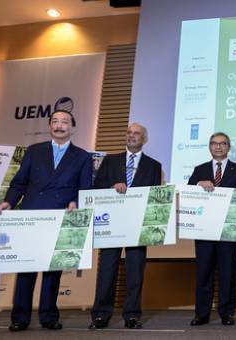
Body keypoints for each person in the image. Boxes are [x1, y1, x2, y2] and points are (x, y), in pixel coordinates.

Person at [0, 110, 93, 332]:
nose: (59, 125)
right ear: (49, 126)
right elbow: (19, 182)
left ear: (72, 127)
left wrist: (76, 201)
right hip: (31, 216)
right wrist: (9, 201)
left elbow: (85, 188)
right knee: (26, 268)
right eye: (55, 121)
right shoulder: (34, 151)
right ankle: (20, 317)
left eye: (64, 122)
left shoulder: (83, 156)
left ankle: (48, 316)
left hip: (59, 217)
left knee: (53, 269)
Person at [89, 123, 162, 330]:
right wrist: (111, 187)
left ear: (144, 139)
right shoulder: (110, 161)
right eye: (129, 132)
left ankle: (132, 315)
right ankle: (101, 315)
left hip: (138, 226)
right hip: (112, 225)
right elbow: (96, 187)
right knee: (107, 270)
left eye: (136, 133)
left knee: (135, 271)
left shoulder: (154, 166)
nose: (132, 136)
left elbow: (154, 197)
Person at [188, 132, 236, 326]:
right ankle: (202, 314)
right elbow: (188, 192)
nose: (218, 147)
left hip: (229, 232)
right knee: (204, 273)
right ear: (209, 146)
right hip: (204, 232)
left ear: (228, 147)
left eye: (223, 144)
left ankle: (227, 312)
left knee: (227, 273)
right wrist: (198, 184)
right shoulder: (200, 170)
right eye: (214, 143)